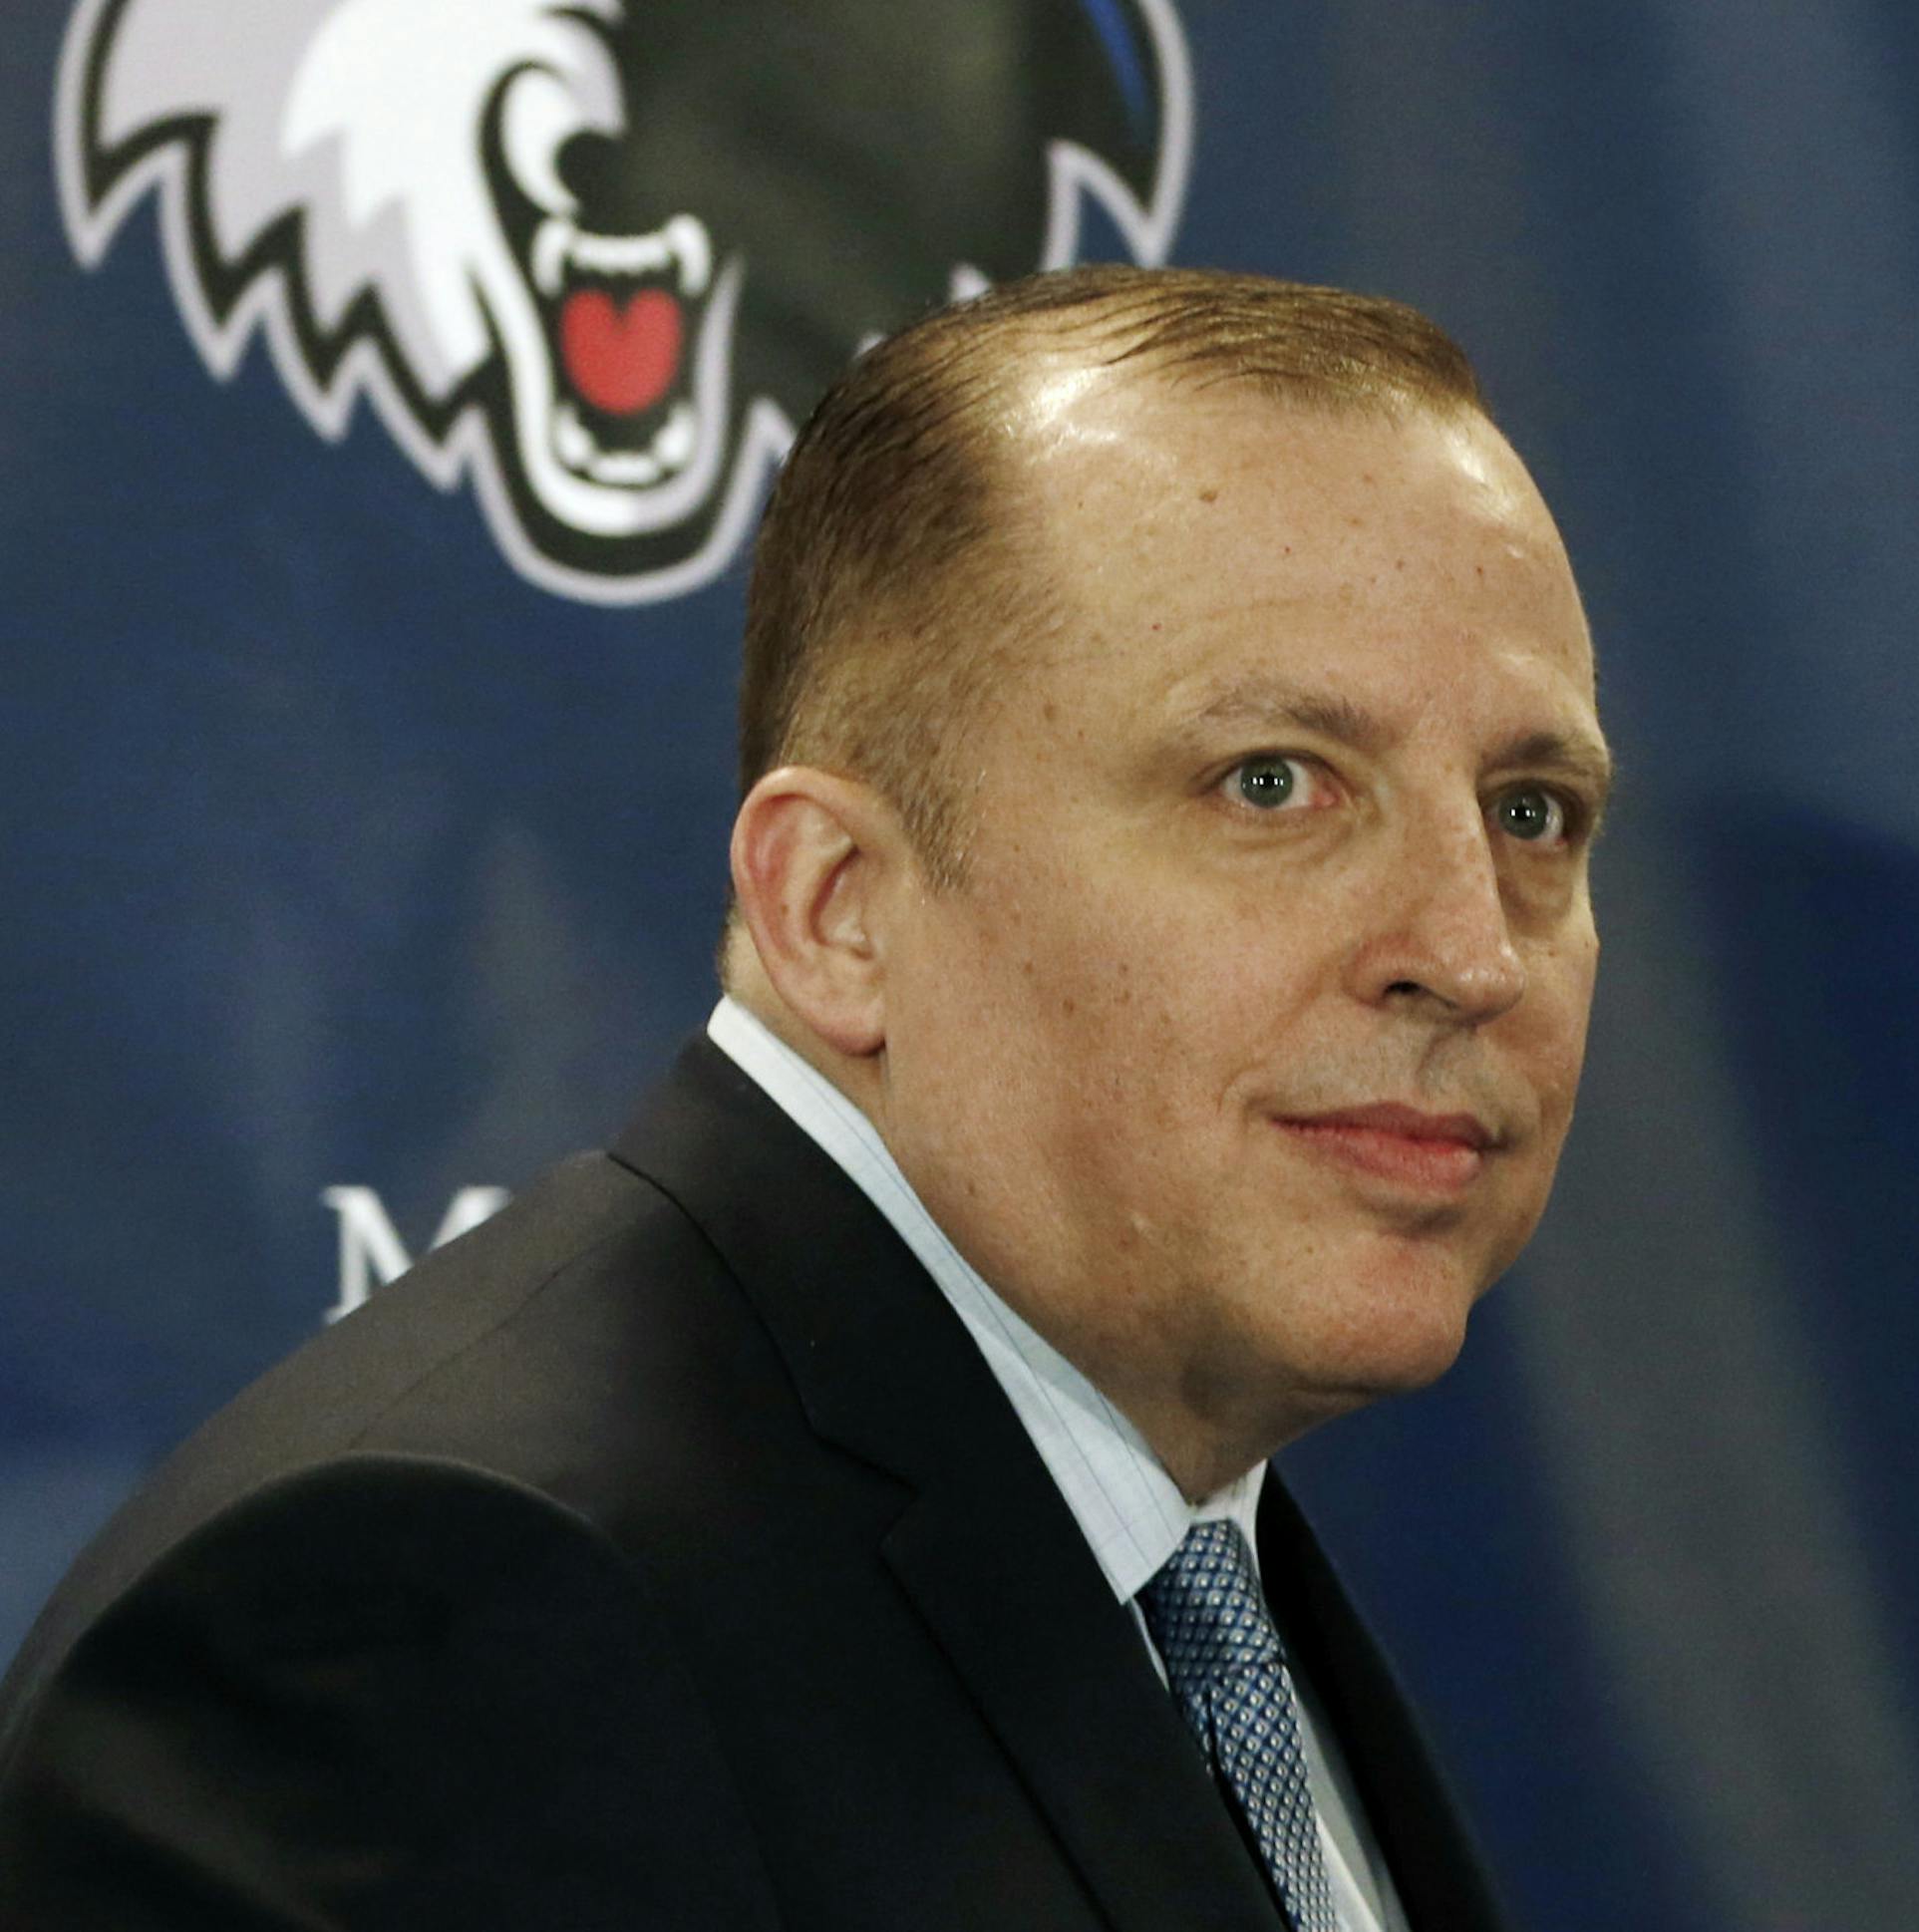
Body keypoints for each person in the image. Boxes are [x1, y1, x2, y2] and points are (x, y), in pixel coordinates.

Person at [0, 265, 1609, 1931]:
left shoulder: (1180, 1559)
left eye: (1533, 810)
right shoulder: (426, 1631)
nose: (1471, 951)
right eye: (1271, 782)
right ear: (838, 907)